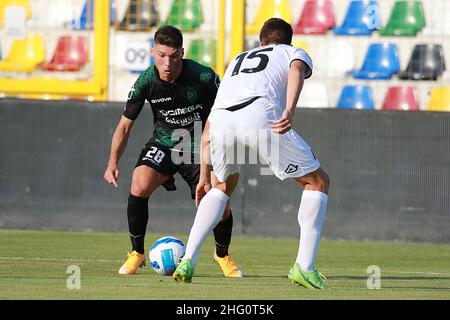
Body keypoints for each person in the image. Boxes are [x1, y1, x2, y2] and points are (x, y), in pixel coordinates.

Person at [172, 18, 330, 289]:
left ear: (260, 43)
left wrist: (203, 176)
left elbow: (210, 124)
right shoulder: (292, 52)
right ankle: (304, 267)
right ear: (287, 42)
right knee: (316, 182)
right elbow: (296, 69)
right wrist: (289, 110)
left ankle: (188, 259)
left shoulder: (237, 60)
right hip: (260, 114)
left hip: (221, 121)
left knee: (221, 185)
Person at [104, 25, 242, 277]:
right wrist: (113, 161)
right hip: (164, 144)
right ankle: (137, 253)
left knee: (218, 202)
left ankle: (222, 255)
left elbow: (226, 111)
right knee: (139, 184)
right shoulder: (146, 80)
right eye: (161, 55)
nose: (167, 63)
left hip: (198, 148)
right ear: (152, 52)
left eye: (174, 56)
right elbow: (124, 126)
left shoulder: (203, 77)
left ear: (182, 53)